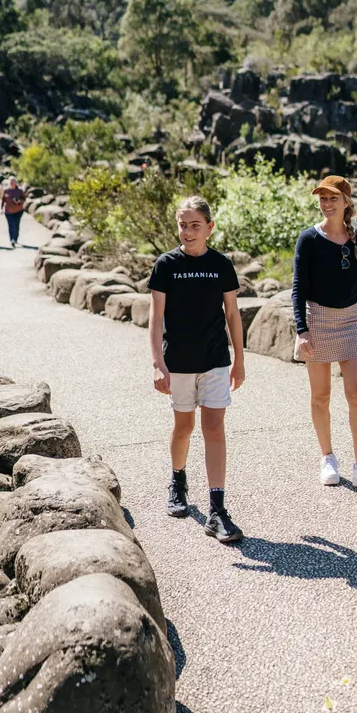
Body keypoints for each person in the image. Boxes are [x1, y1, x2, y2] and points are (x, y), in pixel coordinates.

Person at [148, 195, 245, 544]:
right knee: (184, 425)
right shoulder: (165, 265)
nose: (188, 232)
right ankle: (177, 480)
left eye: (195, 225)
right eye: (183, 225)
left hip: (215, 360)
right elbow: (156, 317)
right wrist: (158, 363)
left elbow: (232, 315)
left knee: (214, 428)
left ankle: (217, 509)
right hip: (179, 364)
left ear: (209, 227)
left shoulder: (222, 265)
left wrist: (240, 359)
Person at [293, 174, 357, 493]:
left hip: (350, 321)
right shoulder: (308, 239)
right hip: (317, 319)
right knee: (320, 395)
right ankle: (327, 458)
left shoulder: (356, 238)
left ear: (346, 202)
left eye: (333, 197)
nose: (326, 203)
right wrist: (302, 330)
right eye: (322, 198)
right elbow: (297, 288)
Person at [0, 176, 26, 247]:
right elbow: (3, 200)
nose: (12, 183)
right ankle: (12, 239)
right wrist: (1, 209)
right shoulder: (6, 191)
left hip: (18, 211)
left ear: (15, 183)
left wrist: (19, 201)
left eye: (13, 182)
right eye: (11, 182)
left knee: (16, 225)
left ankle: (15, 238)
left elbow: (24, 199)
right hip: (8, 212)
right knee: (11, 225)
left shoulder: (19, 191)